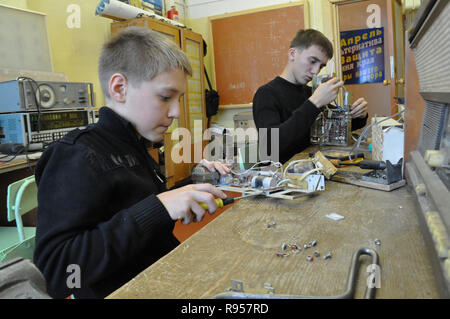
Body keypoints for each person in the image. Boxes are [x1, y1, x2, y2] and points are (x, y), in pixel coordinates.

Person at [33, 27, 231, 299]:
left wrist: (186, 194)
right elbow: (57, 273)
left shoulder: (135, 145)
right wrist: (158, 208)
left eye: (178, 100)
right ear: (119, 88)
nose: (174, 112)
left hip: (164, 279)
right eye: (165, 97)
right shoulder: (76, 155)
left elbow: (136, 217)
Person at [253, 29, 368, 164]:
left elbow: (337, 129)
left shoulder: (309, 92)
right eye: (313, 61)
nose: (316, 71)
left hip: (311, 169)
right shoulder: (266, 94)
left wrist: (358, 116)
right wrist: (314, 103)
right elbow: (270, 147)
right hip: (282, 176)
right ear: (292, 54)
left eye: (321, 66)